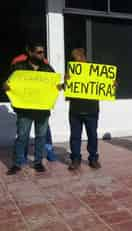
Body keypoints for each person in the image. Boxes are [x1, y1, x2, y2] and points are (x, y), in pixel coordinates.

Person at [3, 42, 59, 175]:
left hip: (42, 110)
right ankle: (17, 164)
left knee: (41, 137)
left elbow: (55, 86)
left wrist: (62, 86)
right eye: (39, 52)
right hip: (25, 111)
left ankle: (38, 162)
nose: (42, 55)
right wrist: (6, 86)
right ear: (31, 53)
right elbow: (7, 83)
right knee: (22, 137)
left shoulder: (48, 69)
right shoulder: (18, 67)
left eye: (43, 52)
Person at [65, 48, 103, 170]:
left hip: (91, 110)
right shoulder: (71, 72)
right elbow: (66, 91)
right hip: (75, 110)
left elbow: (105, 84)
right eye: (74, 58)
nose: (77, 60)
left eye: (79, 57)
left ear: (84, 57)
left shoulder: (95, 71)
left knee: (92, 135)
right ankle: (75, 159)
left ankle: (93, 159)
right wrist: (66, 82)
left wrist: (112, 84)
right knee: (75, 136)